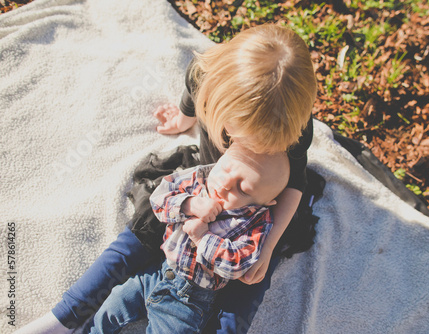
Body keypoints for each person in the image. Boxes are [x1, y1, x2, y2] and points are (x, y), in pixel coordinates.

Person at [15, 23, 317, 334]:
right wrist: (183, 118)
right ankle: (66, 315)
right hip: (202, 185)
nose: (250, 149)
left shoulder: (293, 123)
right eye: (241, 136)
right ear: (218, 98)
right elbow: (192, 94)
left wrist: (267, 248)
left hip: (256, 206)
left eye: (265, 144)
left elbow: (296, 183)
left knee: (249, 282)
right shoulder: (207, 75)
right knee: (136, 238)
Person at [83, 142, 290, 333]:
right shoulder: (200, 179)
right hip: (156, 273)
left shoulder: (257, 224)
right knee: (113, 305)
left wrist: (203, 238)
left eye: (243, 189)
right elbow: (159, 198)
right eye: (226, 168)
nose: (225, 184)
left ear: (266, 202)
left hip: (190, 299)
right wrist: (188, 204)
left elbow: (236, 264)